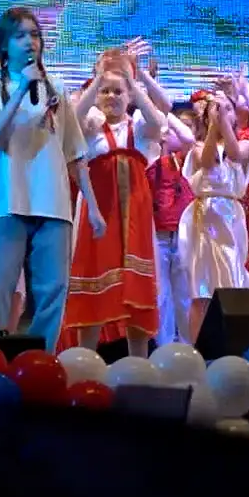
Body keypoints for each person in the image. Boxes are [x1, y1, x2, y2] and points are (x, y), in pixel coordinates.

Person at [0, 6, 101, 351]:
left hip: (53, 202)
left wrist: (94, 208)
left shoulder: (57, 87)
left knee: (53, 291)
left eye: (35, 34)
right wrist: (22, 89)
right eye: (20, 35)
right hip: (6, 201)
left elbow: (75, 151)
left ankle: (39, 361)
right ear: (4, 44)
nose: (30, 42)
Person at [63, 53, 163, 356]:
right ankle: (86, 360)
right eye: (105, 91)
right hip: (99, 214)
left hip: (135, 215)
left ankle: (139, 364)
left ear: (129, 96)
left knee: (137, 292)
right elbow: (72, 119)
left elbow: (158, 120)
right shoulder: (91, 126)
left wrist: (132, 79)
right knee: (94, 281)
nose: (111, 96)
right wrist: (99, 78)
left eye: (118, 91)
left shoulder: (139, 128)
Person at [178, 90, 249, 339]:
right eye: (217, 109)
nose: (223, 113)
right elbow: (207, 161)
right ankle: (197, 347)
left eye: (228, 109)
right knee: (201, 289)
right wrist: (215, 126)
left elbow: (235, 155)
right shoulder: (197, 147)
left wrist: (222, 122)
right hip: (204, 216)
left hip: (231, 217)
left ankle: (231, 342)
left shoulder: (245, 143)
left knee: (232, 281)